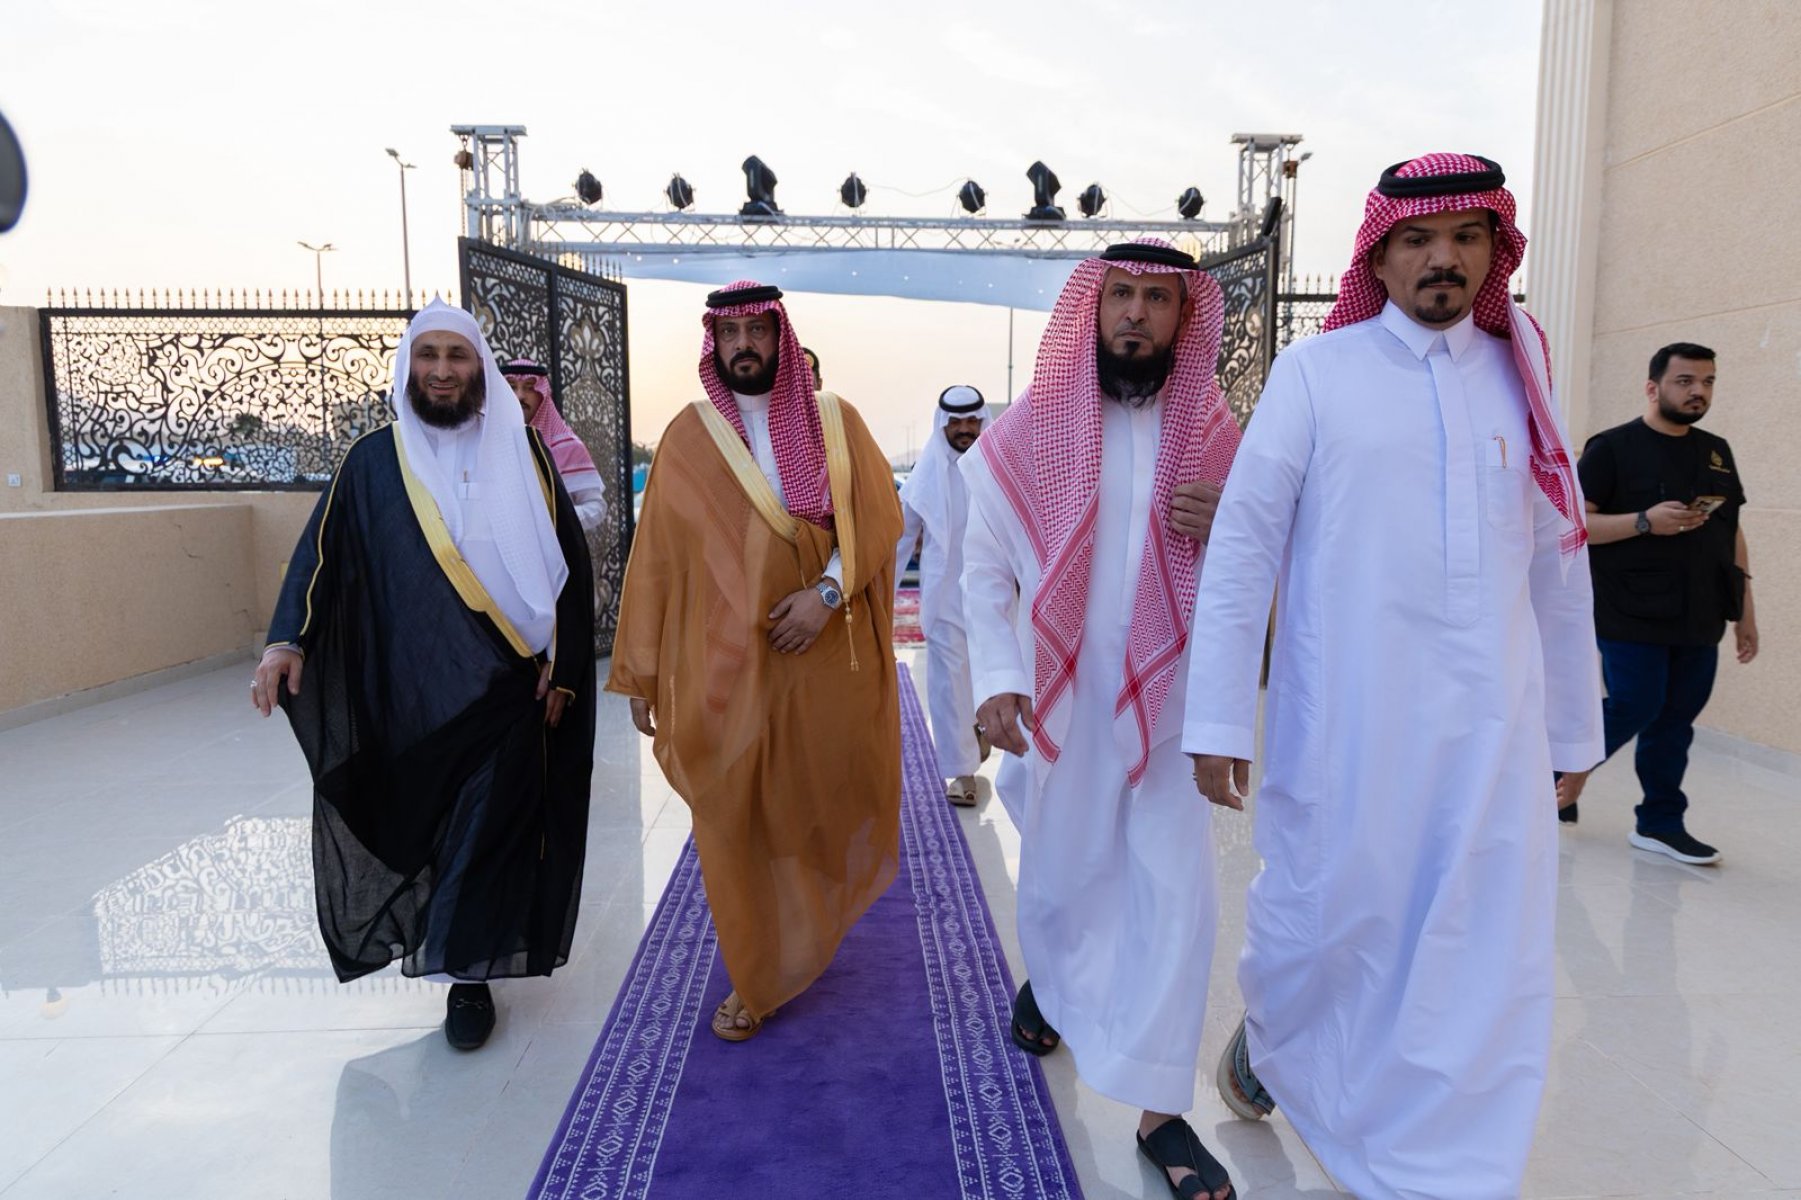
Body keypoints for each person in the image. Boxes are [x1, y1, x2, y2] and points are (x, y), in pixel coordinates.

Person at [1185, 153, 1604, 1200]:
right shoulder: (1316, 374)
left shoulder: (1521, 370)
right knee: (1333, 921)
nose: (1441, 259)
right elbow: (1242, 547)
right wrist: (1218, 716)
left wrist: (1571, 728)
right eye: (1417, 240)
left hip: (1492, 724)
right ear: (1378, 255)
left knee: (1480, 944)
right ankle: (1278, 1039)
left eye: (1465, 237)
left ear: (1495, 251)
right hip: (1349, 718)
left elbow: (1555, 554)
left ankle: (1443, 1164)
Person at [962, 240, 1242, 1200]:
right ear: (1092, 306)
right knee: (1066, 875)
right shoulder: (1028, 432)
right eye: (1119, 293)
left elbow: (1269, 563)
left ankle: (1161, 1111)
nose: (1135, 313)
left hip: (1176, 700)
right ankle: (1052, 982)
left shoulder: (1217, 438)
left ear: (1182, 317)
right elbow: (981, 570)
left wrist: (1233, 519)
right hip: (1064, 693)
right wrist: (999, 676)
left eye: (1157, 299)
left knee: (1176, 892)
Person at [252, 300, 595, 1052]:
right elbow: (321, 555)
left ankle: (467, 978)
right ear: (409, 366)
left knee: (489, 826)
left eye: (457, 355)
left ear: (479, 368)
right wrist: (287, 641)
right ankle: (448, 943)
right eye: (428, 355)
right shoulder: (374, 459)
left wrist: (565, 668)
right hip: (413, 682)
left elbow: (570, 567)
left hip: (514, 681)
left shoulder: (524, 450)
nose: (442, 370)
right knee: (430, 821)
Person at [609, 281, 904, 1042]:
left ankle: (800, 933)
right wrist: (645, 670)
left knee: (812, 806)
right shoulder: (688, 436)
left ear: (780, 334)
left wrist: (825, 596)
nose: (744, 344)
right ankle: (757, 970)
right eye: (729, 332)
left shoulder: (835, 421)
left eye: (757, 330)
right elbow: (657, 559)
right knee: (734, 812)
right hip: (726, 665)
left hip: (819, 652)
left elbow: (876, 519)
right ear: (714, 342)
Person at [1552, 343, 1756, 862]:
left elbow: (1732, 533)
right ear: (1652, 387)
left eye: (1707, 382)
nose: (1698, 392)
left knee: (1677, 718)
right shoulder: (1612, 448)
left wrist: (1745, 613)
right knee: (1636, 703)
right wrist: (1645, 521)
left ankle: (1660, 823)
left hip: (1701, 612)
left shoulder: (1716, 451)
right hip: (1629, 609)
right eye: (1685, 381)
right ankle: (1555, 777)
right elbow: (1573, 526)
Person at [894, 385, 991, 805]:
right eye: (956, 422)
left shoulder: (997, 464)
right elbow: (900, 538)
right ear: (943, 425)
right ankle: (962, 773)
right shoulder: (926, 474)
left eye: (972, 421)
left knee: (991, 676)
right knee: (949, 684)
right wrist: (878, 597)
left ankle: (979, 731)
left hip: (993, 594)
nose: (965, 429)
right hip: (945, 594)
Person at [500, 357, 608, 532]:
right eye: (511, 387)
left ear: (542, 395)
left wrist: (553, 518)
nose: (519, 396)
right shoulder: (486, 445)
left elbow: (596, 507)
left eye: (529, 387)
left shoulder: (567, 446)